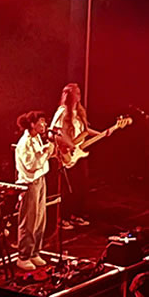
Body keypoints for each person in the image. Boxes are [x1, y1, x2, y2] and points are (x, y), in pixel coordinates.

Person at [14, 110, 55, 272]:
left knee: (40, 218)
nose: (44, 125)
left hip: (40, 180)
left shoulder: (37, 138)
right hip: (29, 183)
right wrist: (46, 153)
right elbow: (32, 165)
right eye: (42, 122)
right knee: (29, 220)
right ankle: (23, 255)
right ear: (32, 124)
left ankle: (34, 251)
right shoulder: (24, 143)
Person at [51, 82, 92, 226]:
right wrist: (69, 145)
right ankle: (64, 217)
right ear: (69, 95)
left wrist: (105, 133)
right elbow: (54, 132)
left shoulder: (79, 113)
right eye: (76, 92)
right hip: (67, 154)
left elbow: (85, 131)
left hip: (79, 153)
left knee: (82, 185)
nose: (79, 95)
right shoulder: (62, 112)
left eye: (79, 92)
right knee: (69, 188)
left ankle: (76, 214)